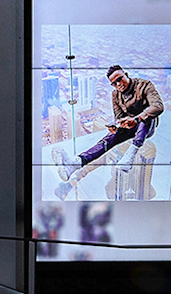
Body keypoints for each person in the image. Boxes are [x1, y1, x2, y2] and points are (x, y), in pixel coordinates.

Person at [53, 64, 163, 199]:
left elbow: (158, 106)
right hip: (129, 127)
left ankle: (131, 154)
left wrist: (136, 119)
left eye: (120, 79)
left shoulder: (144, 85)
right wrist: (118, 125)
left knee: (145, 118)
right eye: (114, 83)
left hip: (146, 126)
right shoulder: (116, 94)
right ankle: (76, 163)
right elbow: (119, 116)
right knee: (108, 139)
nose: (118, 84)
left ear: (126, 75)